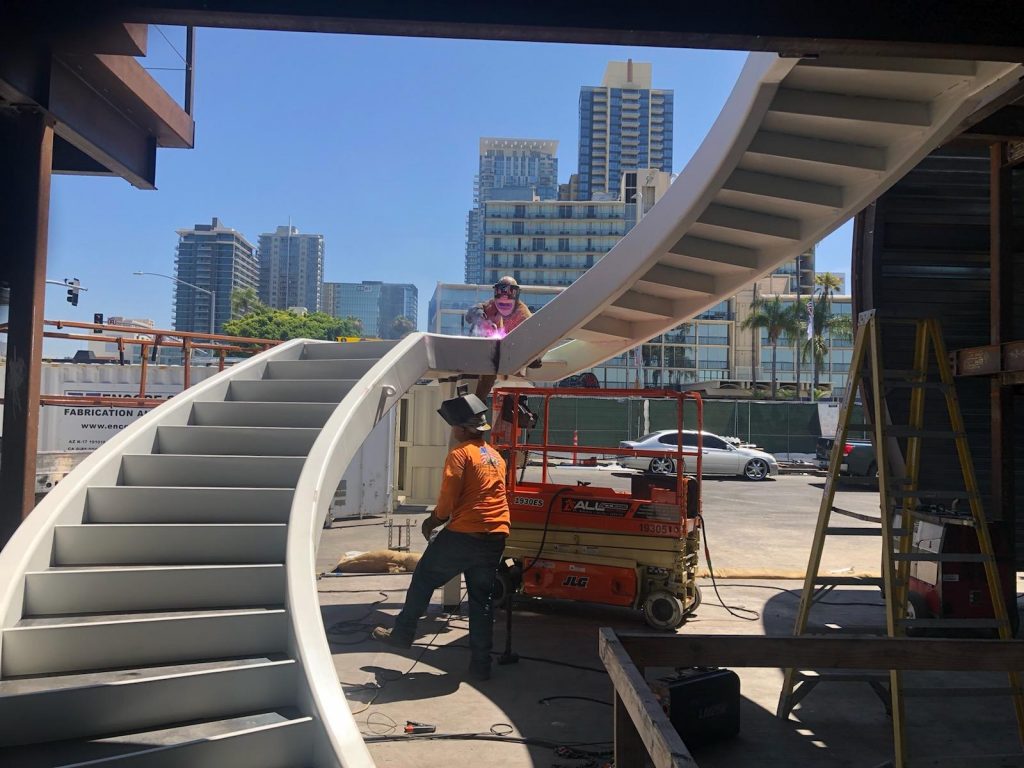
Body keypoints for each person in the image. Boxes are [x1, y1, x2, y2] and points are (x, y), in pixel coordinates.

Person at [372, 393, 510, 681]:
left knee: (424, 577)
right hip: (496, 533)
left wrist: (434, 520)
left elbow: (448, 498)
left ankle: (402, 633)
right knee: (481, 600)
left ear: (460, 429)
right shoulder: (496, 457)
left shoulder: (460, 455)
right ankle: (481, 664)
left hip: (465, 534)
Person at [466, 276, 533, 399]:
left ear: (516, 294)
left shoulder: (523, 314)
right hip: (495, 352)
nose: (504, 297)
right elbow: (470, 314)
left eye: (509, 292)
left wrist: (535, 356)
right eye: (500, 292)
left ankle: (478, 402)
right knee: (485, 360)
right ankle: (471, 402)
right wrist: (480, 316)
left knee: (491, 364)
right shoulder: (493, 305)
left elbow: (533, 336)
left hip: (515, 356)